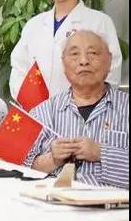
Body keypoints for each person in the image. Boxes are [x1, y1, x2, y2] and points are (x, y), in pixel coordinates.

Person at [10, 0, 122, 99]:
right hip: (38, 110)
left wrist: (88, 105)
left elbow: (111, 71)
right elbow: (19, 68)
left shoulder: (99, 22)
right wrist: (31, 103)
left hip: (85, 109)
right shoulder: (33, 25)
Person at [24, 30, 128, 189]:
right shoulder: (41, 113)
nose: (84, 61)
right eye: (74, 54)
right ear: (63, 63)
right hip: (53, 201)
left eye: (93, 53)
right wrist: (53, 159)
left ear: (109, 60)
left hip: (115, 203)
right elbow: (20, 168)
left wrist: (101, 153)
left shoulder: (126, 108)